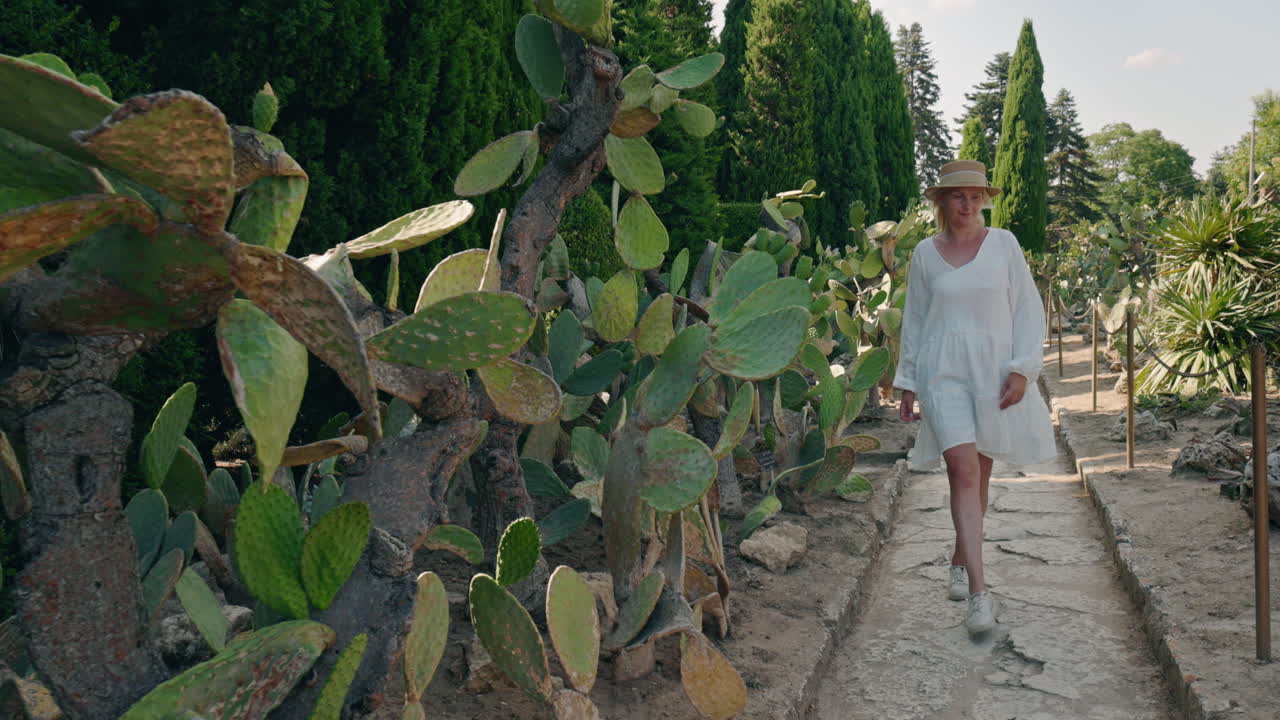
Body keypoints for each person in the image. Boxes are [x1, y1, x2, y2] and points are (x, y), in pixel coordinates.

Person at [892, 159, 1057, 636]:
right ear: (941, 200)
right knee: (961, 470)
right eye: (957, 195)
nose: (967, 203)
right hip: (942, 373)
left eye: (975, 195)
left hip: (991, 373)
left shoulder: (1004, 244)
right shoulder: (925, 252)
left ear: (985, 198)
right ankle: (980, 596)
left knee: (978, 478)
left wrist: (1023, 369)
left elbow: (1028, 308)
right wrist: (908, 381)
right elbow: (916, 320)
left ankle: (961, 559)